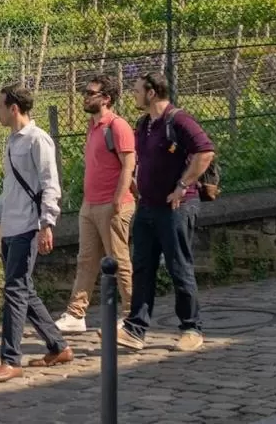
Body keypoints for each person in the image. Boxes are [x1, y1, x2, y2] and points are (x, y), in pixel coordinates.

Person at [0, 83, 73, 383]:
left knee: (15, 292)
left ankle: (10, 359)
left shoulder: (37, 140)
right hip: (11, 226)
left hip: (29, 228)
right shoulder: (11, 142)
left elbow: (50, 185)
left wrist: (47, 224)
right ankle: (58, 346)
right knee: (23, 289)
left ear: (14, 108)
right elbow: (12, 188)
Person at [118, 72, 215, 353]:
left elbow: (205, 151)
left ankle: (191, 328)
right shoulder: (145, 123)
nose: (133, 94)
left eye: (137, 90)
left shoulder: (179, 120)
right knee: (143, 268)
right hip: (147, 206)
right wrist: (137, 180)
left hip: (176, 208)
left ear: (151, 93)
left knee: (178, 266)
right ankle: (135, 329)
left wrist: (183, 185)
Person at [54, 74, 136, 334]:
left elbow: (128, 164)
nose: (85, 96)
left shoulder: (118, 126)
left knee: (119, 260)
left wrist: (117, 200)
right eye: (85, 92)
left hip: (112, 205)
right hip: (90, 205)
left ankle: (130, 315)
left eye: (91, 93)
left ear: (106, 98)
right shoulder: (93, 126)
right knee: (86, 260)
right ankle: (76, 314)